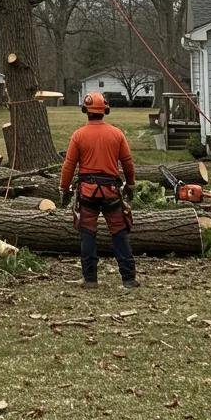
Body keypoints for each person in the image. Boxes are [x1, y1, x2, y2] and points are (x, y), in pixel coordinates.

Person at [60, 92, 139, 289]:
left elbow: (69, 166)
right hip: (111, 191)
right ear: (105, 110)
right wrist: (130, 184)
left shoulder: (78, 135)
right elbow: (128, 163)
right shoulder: (117, 134)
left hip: (87, 191)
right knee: (119, 232)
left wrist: (64, 188)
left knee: (87, 233)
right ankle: (128, 278)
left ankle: (90, 279)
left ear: (86, 111)